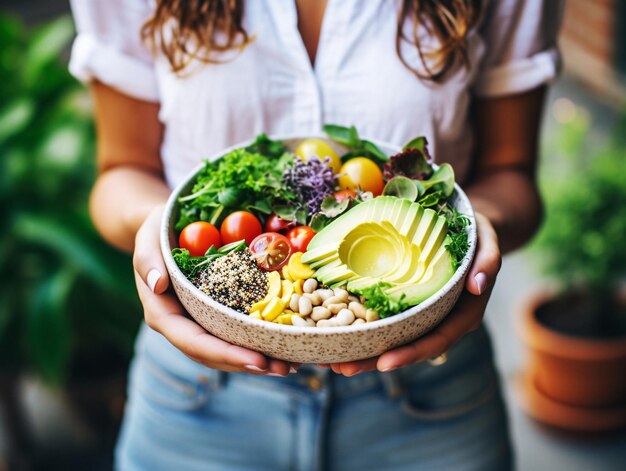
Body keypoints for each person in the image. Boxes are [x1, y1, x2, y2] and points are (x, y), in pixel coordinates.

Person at [68, 1, 562, 469]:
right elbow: (120, 172)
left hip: (429, 389)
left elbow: (511, 174)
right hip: (197, 397)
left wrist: (480, 229)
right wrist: (149, 225)